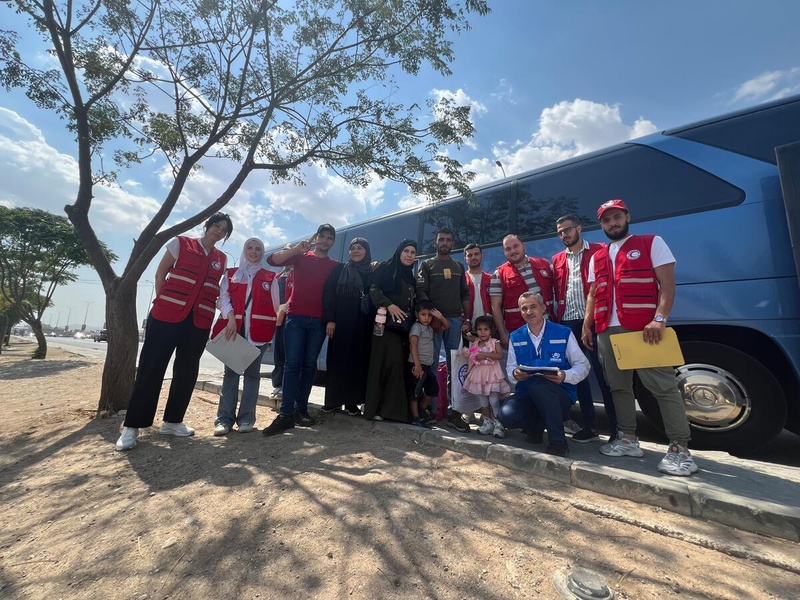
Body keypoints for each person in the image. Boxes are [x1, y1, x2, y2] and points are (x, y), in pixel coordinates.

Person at [582, 199, 697, 476]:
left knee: (662, 386)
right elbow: (593, 293)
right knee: (618, 387)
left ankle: (680, 448)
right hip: (606, 331)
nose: (613, 223)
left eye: (617, 217)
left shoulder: (650, 242)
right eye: (607, 220)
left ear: (627, 217)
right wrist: (588, 325)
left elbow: (667, 284)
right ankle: (628, 439)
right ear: (601, 224)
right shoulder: (597, 256)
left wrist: (659, 318)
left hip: (644, 329)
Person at [115, 212, 233, 451]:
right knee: (151, 369)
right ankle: (132, 426)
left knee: (187, 372)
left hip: (198, 322)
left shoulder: (221, 259)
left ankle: (173, 421)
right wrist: (162, 300)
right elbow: (160, 274)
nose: (218, 232)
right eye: (216, 226)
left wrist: (228, 315)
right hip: (166, 316)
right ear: (207, 225)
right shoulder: (181, 243)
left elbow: (220, 292)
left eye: (224, 230)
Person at [262, 224, 338, 436]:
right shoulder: (301, 257)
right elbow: (272, 261)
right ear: (316, 239)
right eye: (321, 236)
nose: (324, 240)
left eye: (329, 238)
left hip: (319, 322)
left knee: (309, 366)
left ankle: (300, 410)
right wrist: (297, 249)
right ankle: (285, 414)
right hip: (295, 318)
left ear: (333, 242)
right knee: (292, 364)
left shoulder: (335, 265)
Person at [500, 292, 590, 456]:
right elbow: (511, 367)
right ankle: (536, 427)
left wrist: (564, 375)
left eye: (533, 307)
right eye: (524, 308)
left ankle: (558, 443)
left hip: (558, 394)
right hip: (527, 394)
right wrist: (515, 374)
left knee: (540, 386)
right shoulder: (516, 336)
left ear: (543, 308)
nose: (529, 312)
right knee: (506, 414)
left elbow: (583, 365)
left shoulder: (563, 332)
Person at [552, 214, 617, 443]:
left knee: (604, 374)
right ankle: (590, 426)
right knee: (579, 377)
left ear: (579, 228)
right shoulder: (558, 259)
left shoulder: (600, 250)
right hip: (569, 322)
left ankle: (618, 429)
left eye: (567, 230)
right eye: (560, 232)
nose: (564, 235)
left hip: (597, 321)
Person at [211, 237, 278, 435]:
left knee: (252, 376)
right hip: (234, 330)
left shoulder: (270, 277)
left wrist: (270, 338)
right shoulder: (231, 274)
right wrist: (230, 317)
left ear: (262, 252)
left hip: (258, 334)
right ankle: (224, 419)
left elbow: (275, 308)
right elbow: (223, 298)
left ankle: (247, 418)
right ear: (244, 250)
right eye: (250, 247)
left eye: (258, 248)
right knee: (231, 375)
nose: (254, 251)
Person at [416, 227, 471, 431]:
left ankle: (453, 413)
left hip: (455, 322)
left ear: (453, 243)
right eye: (441, 239)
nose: (445, 242)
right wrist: (434, 316)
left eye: (448, 240)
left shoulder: (458, 266)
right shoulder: (427, 264)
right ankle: (428, 409)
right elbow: (421, 292)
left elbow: (465, 294)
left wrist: (468, 318)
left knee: (455, 367)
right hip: (432, 322)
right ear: (435, 243)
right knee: (430, 364)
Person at [363, 239, 418, 422]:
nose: (409, 255)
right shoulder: (385, 268)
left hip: (402, 329)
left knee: (396, 366)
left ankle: (390, 410)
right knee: (382, 365)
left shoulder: (411, 277)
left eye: (412, 252)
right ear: (399, 252)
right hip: (384, 327)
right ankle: (377, 409)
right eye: (406, 251)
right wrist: (390, 305)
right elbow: (374, 289)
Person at [321, 237, 374, 416]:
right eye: (353, 248)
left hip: (362, 326)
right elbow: (328, 294)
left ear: (366, 251)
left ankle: (352, 403)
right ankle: (333, 401)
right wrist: (330, 319)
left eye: (360, 248)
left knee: (356, 363)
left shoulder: (371, 272)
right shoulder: (339, 270)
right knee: (337, 362)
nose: (356, 251)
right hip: (341, 324)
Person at [490, 234, 555, 349]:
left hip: (549, 327)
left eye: (516, 246)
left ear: (523, 246)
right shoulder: (499, 274)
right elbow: (495, 307)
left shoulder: (544, 265)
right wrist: (503, 334)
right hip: (520, 332)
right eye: (508, 249)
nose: (513, 251)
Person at [462, 315, 510, 438]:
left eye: (486, 329)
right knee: (483, 400)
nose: (482, 332)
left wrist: (485, 354)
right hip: (478, 375)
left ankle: (499, 423)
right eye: (479, 329)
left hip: (492, 375)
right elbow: (467, 336)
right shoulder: (476, 341)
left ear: (491, 330)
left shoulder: (495, 342)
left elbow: (500, 356)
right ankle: (487, 422)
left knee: (493, 400)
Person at [408, 300, 449, 428]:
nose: (426, 318)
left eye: (429, 315)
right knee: (414, 392)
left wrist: (440, 317)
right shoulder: (416, 327)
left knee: (433, 390)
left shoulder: (430, 328)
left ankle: (421, 410)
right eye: (423, 314)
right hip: (416, 365)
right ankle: (415, 417)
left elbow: (446, 326)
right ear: (417, 314)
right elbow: (413, 345)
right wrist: (417, 364)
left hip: (428, 366)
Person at [270, 244, 294, 400]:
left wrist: (285, 308)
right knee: (278, 353)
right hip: (277, 320)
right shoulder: (278, 276)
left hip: (291, 318)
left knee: (289, 354)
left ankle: (287, 386)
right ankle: (277, 385)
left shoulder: (299, 273)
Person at [464, 243, 492, 324]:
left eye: (476, 254)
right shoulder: (461, 280)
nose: (473, 257)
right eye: (470, 255)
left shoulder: (491, 279)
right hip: (467, 328)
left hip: (489, 328)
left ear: (481, 256)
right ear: (465, 258)